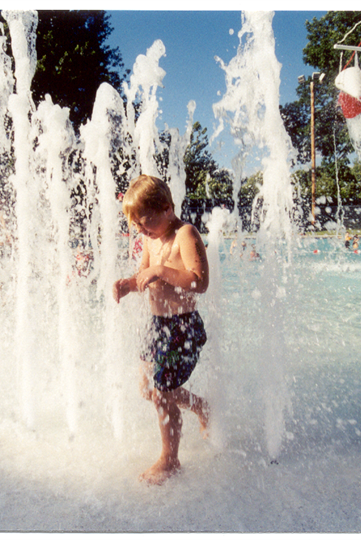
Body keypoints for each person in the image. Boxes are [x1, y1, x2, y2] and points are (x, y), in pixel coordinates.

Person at [113, 174, 210, 486]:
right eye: (138, 226)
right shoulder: (151, 239)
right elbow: (144, 277)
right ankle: (200, 406)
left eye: (146, 223)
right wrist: (128, 285)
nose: (141, 231)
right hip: (156, 325)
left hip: (182, 326)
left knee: (162, 393)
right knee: (147, 389)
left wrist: (162, 271)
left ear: (168, 208)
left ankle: (170, 459)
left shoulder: (185, 234)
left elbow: (199, 281)